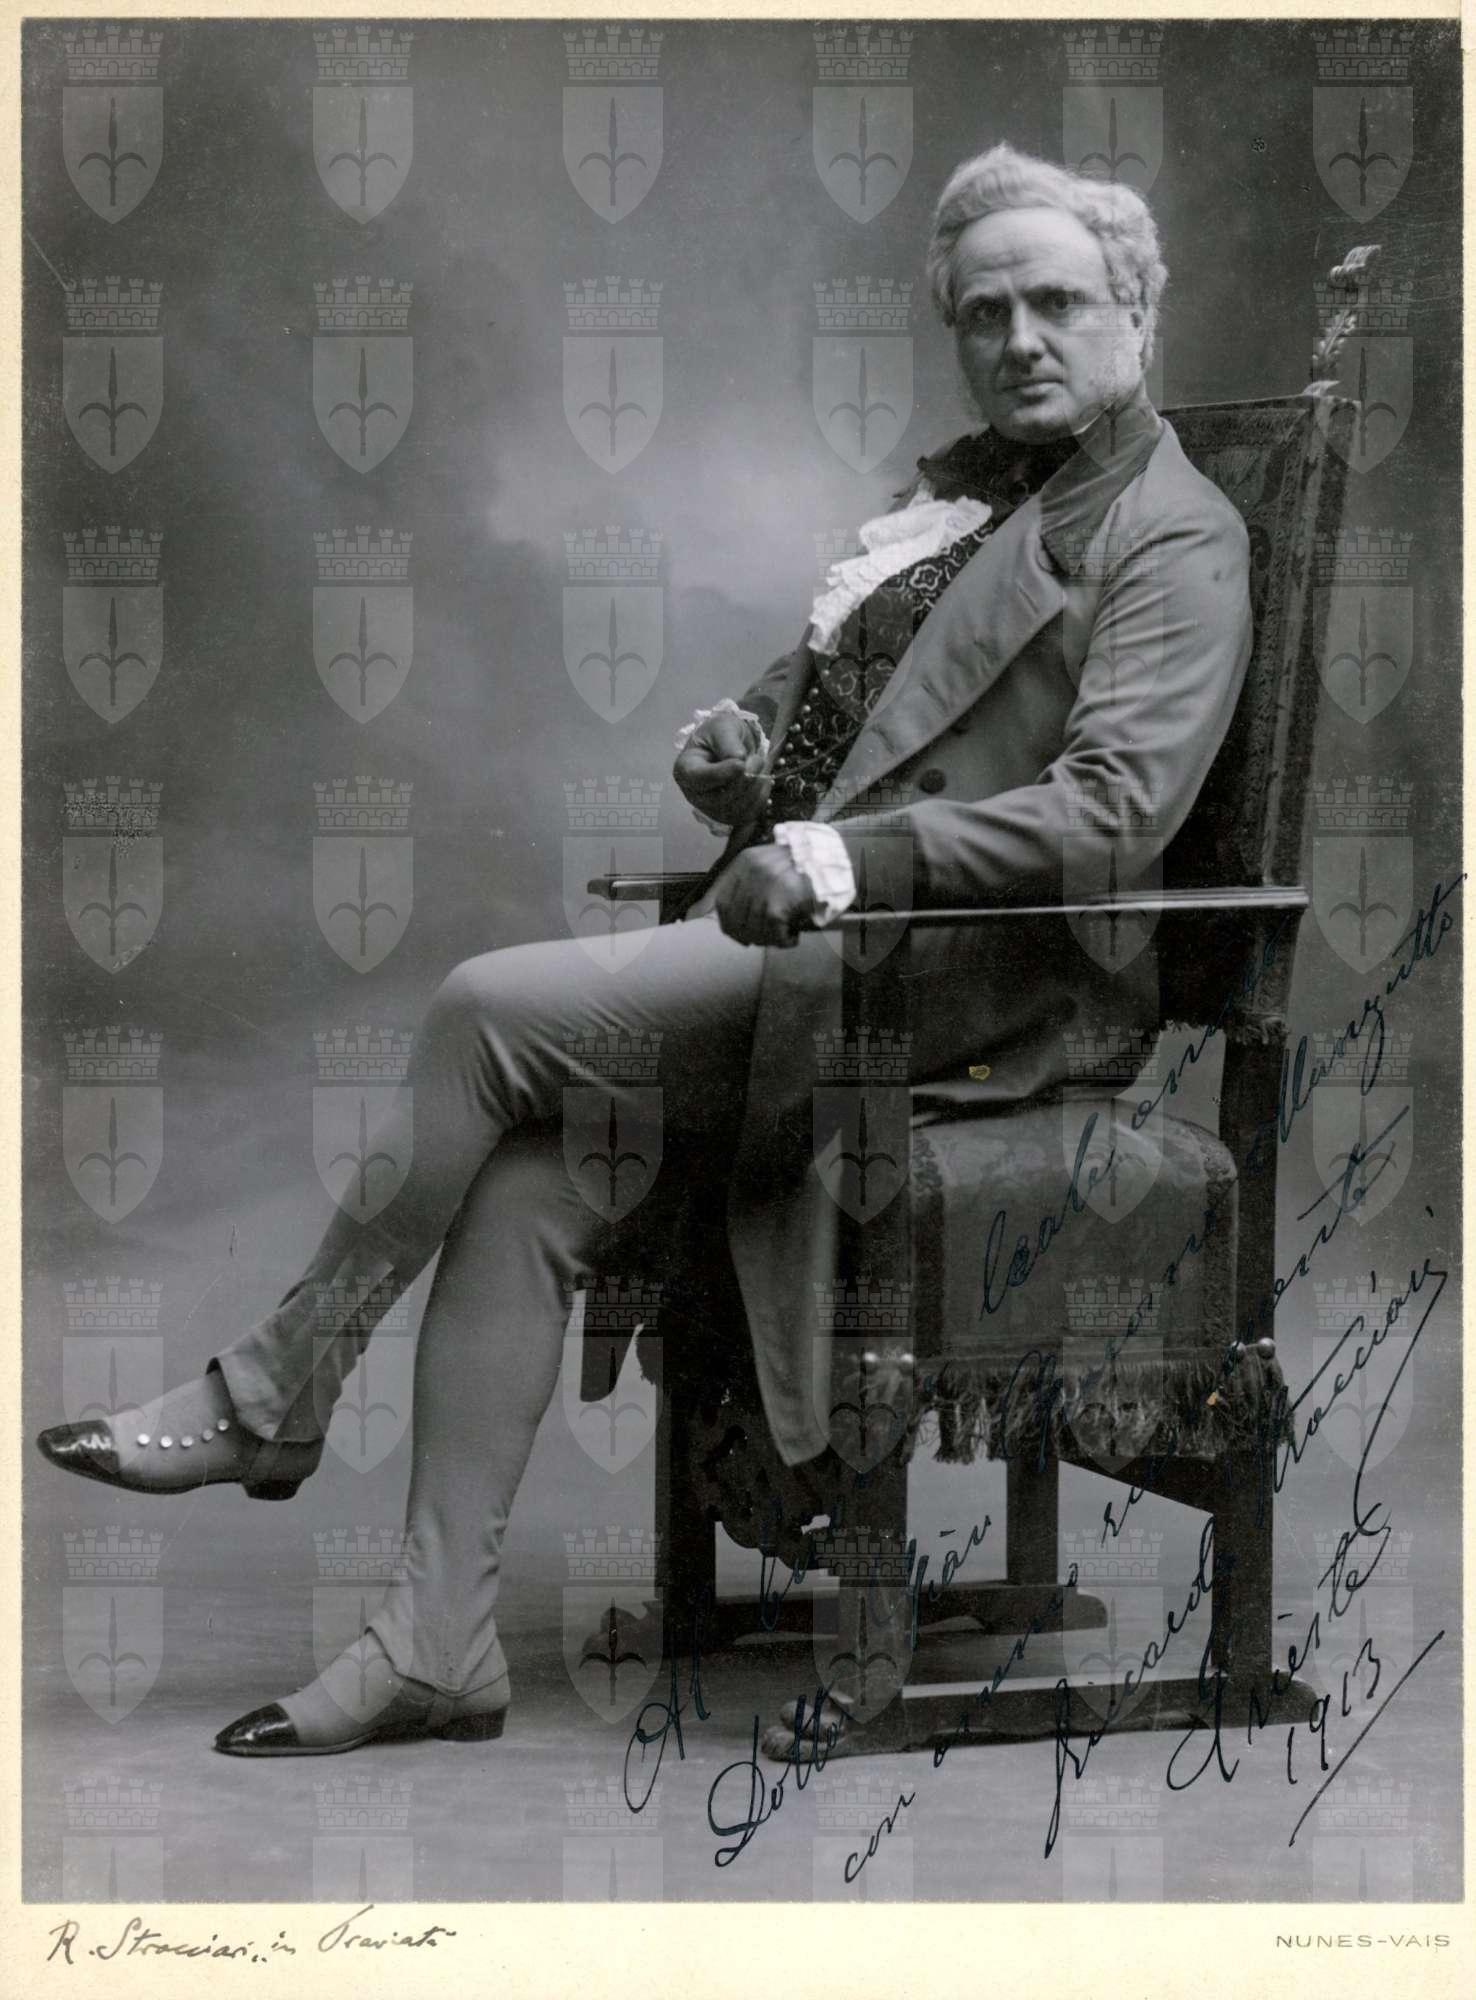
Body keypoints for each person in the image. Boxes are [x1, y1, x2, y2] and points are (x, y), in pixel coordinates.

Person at [37, 143, 1252, 1755]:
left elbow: (1114, 811)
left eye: (1059, 303)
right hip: (842, 944)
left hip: (975, 985)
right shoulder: (960, 504)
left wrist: (843, 851)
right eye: (984, 312)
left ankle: (276, 1392)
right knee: (530, 1188)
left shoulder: (1170, 534)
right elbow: (866, 728)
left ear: (1138, 314)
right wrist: (754, 770)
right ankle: (436, 1643)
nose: (1020, 337)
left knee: (482, 1012)